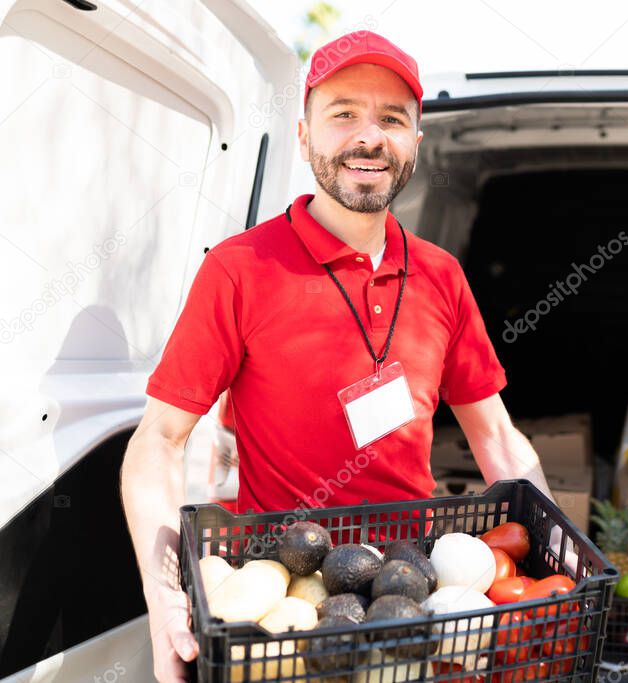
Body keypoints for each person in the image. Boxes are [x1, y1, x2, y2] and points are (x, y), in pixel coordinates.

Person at [120, 31, 555, 683]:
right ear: (304, 136)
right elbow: (158, 440)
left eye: (392, 119)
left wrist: (560, 569)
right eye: (344, 113)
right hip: (283, 598)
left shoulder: (441, 276)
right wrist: (164, 603)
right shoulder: (241, 269)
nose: (369, 137)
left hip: (412, 587)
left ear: (416, 141)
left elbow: (496, 436)